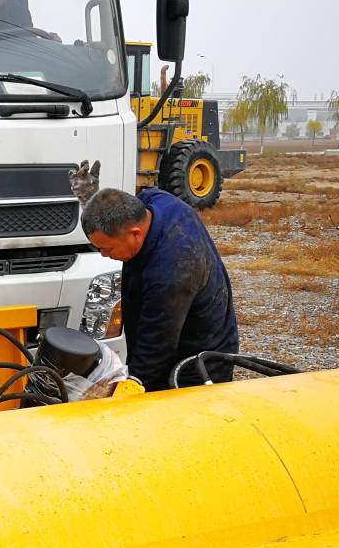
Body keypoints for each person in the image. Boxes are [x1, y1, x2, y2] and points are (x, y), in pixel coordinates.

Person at [69, 160, 238, 391]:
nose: (104, 255)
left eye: (107, 248)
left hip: (197, 366)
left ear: (135, 234)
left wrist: (131, 388)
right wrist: (93, 203)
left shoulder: (169, 274)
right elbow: (123, 209)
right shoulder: (156, 201)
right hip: (174, 338)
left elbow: (155, 348)